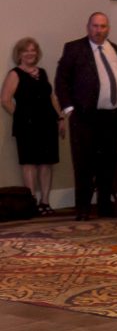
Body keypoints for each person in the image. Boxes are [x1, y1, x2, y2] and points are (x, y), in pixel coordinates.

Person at [55, 11, 117, 220]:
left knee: (108, 163)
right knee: (83, 164)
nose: (99, 30)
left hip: (112, 117)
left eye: (103, 27)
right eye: (95, 26)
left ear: (108, 29)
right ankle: (82, 208)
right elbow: (61, 80)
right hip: (84, 117)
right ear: (88, 27)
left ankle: (104, 206)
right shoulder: (74, 49)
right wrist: (69, 110)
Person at [2, 37, 64, 213]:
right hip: (27, 126)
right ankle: (31, 202)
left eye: (33, 50)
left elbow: (51, 97)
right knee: (29, 163)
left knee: (46, 164)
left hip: (47, 124)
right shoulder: (15, 74)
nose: (30, 53)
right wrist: (22, 117)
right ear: (19, 54)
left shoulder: (42, 72)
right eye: (26, 50)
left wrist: (60, 118)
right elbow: (5, 100)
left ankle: (45, 202)